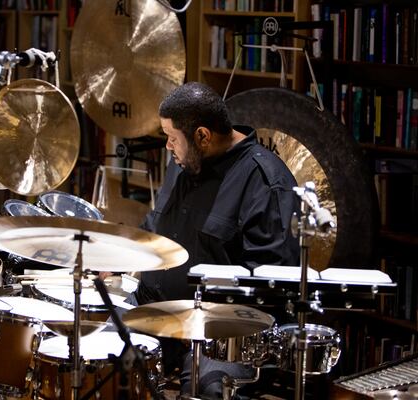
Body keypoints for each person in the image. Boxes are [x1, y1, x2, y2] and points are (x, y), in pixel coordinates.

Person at [127, 82, 300, 398]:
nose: (168, 146)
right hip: (156, 309)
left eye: (172, 138)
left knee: (206, 389)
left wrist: (196, 323)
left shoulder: (264, 181)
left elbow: (271, 287)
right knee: (96, 347)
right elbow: (157, 222)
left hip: (220, 334)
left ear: (202, 137)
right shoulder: (185, 160)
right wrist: (119, 258)